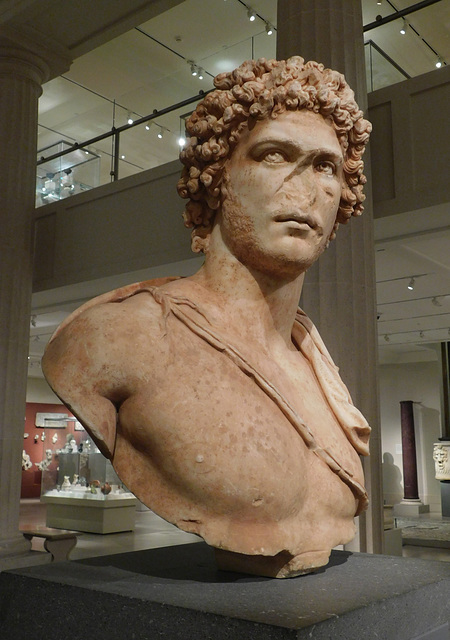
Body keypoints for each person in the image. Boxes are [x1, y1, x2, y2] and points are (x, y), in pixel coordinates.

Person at [43, 57, 372, 578]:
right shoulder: (118, 338)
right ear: (217, 178)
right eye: (273, 155)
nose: (306, 189)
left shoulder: (315, 366)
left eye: (325, 166)